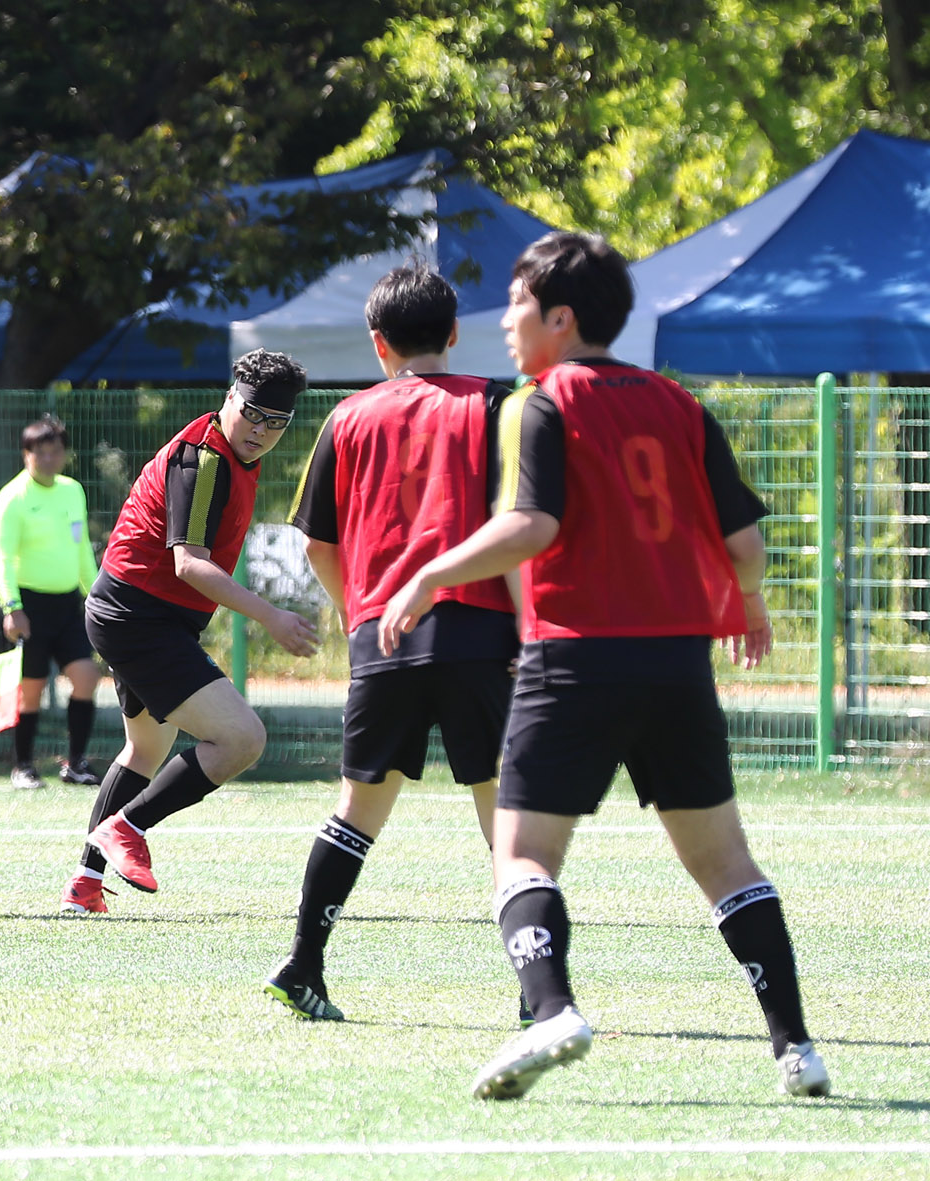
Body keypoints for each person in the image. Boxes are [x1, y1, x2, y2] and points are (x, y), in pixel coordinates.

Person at [379, 230, 831, 1101]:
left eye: (518, 303)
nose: (506, 320)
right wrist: (749, 602)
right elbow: (745, 546)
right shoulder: (680, 404)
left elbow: (533, 526)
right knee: (726, 864)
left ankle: (552, 1010)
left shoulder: (539, 404)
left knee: (522, 855)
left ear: (560, 318)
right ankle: (796, 1047)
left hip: (576, 656)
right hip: (677, 664)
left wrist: (431, 574)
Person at [273, 263, 520, 1022]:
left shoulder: (347, 417)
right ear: (455, 333)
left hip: (383, 637)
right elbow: (525, 531)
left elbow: (315, 543)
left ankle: (303, 962)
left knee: (357, 811)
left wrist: (361, 615)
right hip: (482, 632)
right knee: (509, 819)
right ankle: (536, 993)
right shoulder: (499, 405)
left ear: (377, 342)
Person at [65, 350, 323, 915]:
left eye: (276, 422)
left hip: (134, 614)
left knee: (145, 750)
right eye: (252, 413)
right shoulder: (204, 460)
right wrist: (272, 616)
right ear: (231, 397)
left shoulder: (233, 454)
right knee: (242, 740)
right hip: (138, 618)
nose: (261, 430)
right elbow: (189, 564)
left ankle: (85, 885)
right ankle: (128, 827)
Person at [0, 414, 104, 789]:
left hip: (68, 606)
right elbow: (1, 557)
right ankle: (22, 766)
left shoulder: (73, 491)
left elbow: (81, 550)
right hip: (29, 608)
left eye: (56, 452)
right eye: (41, 453)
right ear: (26, 454)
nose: (49, 459)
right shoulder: (12, 498)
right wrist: (12, 607)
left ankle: (76, 764)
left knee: (86, 677)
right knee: (31, 691)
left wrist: (96, 596)